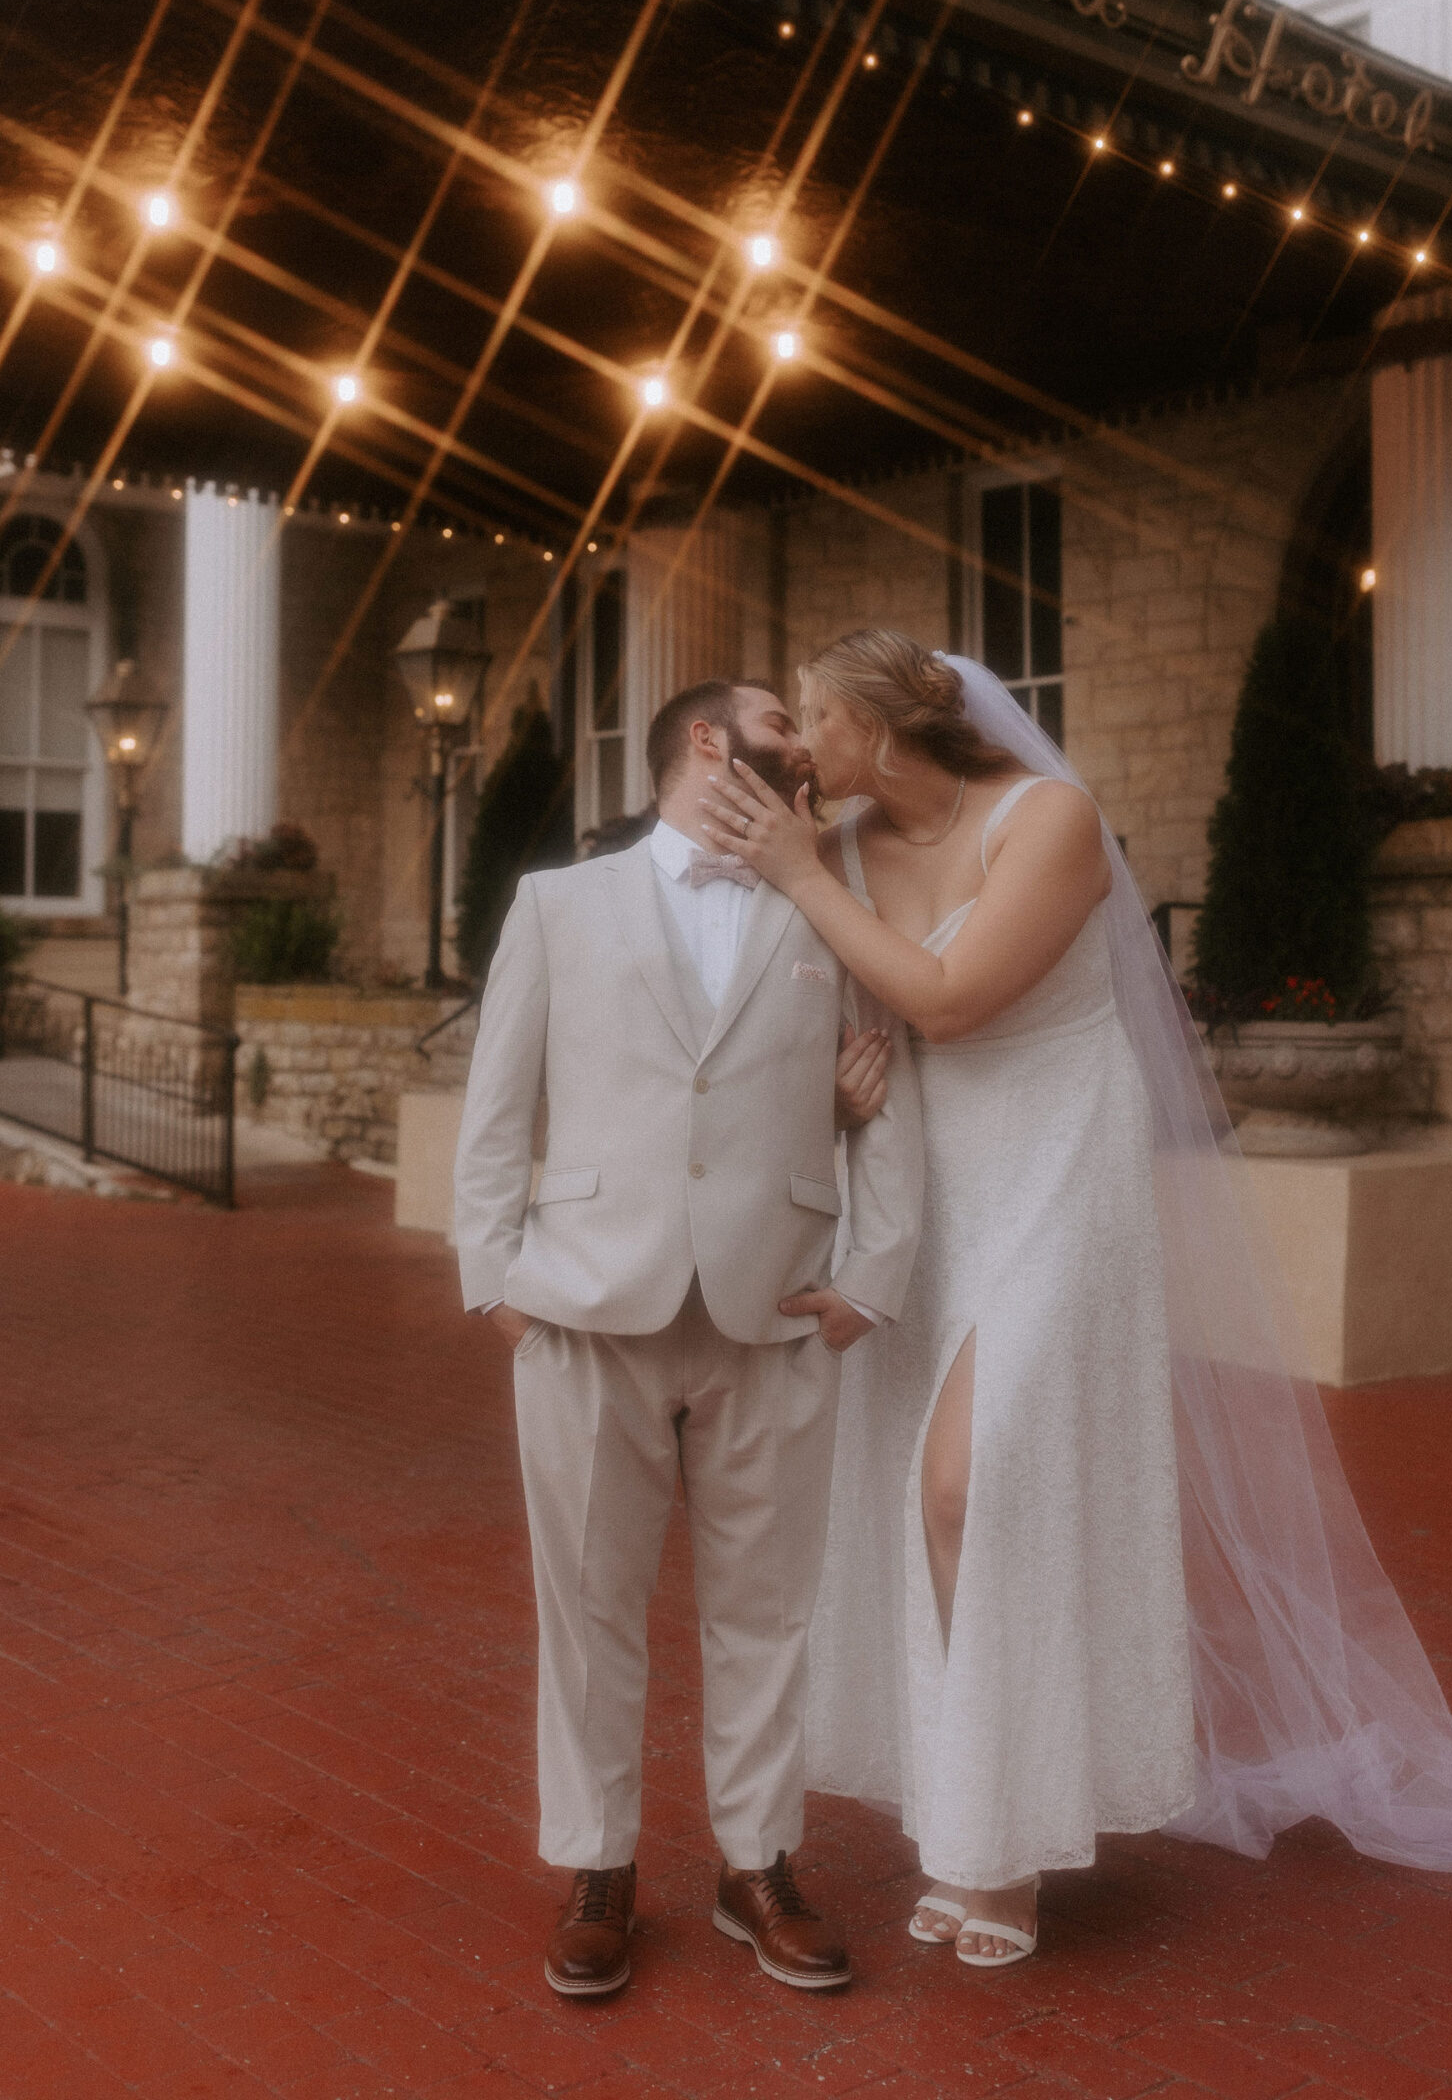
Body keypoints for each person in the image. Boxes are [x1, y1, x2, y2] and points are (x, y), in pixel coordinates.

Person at [700, 632, 1452, 1973]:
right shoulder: (839, 851)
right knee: (921, 1497)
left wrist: (792, 872)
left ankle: (1008, 1838)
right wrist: (830, 1088)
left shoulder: (1048, 820)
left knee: (975, 1480)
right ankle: (979, 1828)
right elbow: (834, 1021)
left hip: (1060, 1169)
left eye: (814, 720)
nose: (800, 751)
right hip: (927, 1193)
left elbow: (948, 1000)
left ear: (883, 726)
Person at [453, 677, 922, 1999]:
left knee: (767, 1612)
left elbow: (885, 1099)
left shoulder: (831, 912)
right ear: (710, 743)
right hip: (585, 1305)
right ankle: (599, 1866)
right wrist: (495, 1274)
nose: (808, 748)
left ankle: (758, 1866)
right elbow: (499, 1099)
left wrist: (872, 1274)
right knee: (589, 1606)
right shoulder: (561, 904)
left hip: (774, 1308)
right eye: (784, 724)